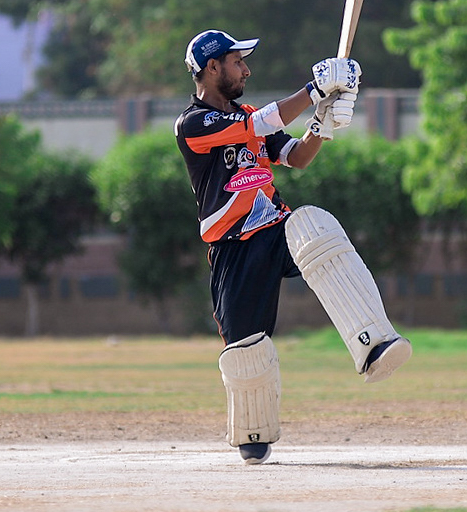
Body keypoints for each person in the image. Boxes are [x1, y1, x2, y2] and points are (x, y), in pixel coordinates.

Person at [174, 29, 411, 465]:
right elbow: (258, 125)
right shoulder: (194, 124)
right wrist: (314, 89)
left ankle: (374, 343)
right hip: (233, 248)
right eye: (237, 62)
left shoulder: (246, 114)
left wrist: (322, 122)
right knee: (246, 354)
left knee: (314, 225)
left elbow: (297, 156)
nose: (246, 69)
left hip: (275, 230)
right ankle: (254, 430)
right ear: (212, 67)